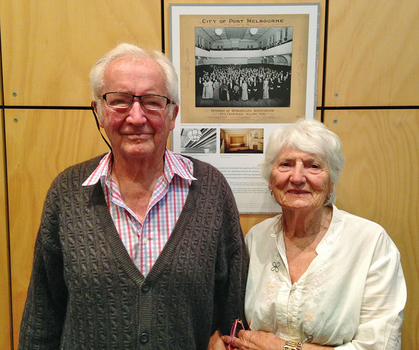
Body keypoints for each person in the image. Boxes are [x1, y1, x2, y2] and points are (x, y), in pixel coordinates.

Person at [18, 43, 248, 349]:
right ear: (99, 111)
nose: (136, 117)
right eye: (120, 101)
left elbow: (233, 311)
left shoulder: (210, 190)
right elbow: (42, 316)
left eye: (152, 102)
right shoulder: (68, 193)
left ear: (172, 114)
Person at [221, 119, 406, 349]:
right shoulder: (255, 238)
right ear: (271, 180)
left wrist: (283, 348)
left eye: (313, 166)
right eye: (286, 164)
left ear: (331, 183)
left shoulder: (370, 243)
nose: (297, 178)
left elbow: (382, 345)